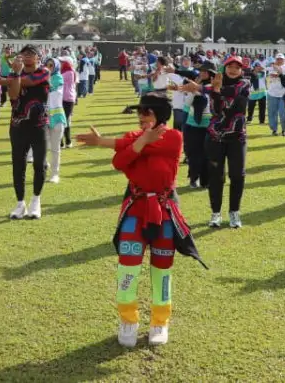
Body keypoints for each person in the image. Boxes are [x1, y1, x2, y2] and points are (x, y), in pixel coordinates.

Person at [75, 92, 206, 348]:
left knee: (162, 269)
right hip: (135, 211)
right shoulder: (137, 137)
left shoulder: (174, 137)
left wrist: (112, 142)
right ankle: (128, 321)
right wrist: (132, 142)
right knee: (128, 267)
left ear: (160, 116)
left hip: (163, 211)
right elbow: (119, 161)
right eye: (140, 113)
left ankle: (160, 321)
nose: (141, 117)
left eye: (147, 112)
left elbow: (127, 148)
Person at [1, 46, 50, 219]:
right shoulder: (14, 74)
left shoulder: (44, 72)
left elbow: (28, 82)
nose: (27, 57)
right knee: (18, 164)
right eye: (24, 54)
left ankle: (36, 201)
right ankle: (20, 203)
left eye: (31, 54)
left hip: (39, 125)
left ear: (38, 57)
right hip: (18, 125)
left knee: (39, 163)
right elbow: (13, 95)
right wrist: (13, 75)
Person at [204, 55, 250, 228]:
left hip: (237, 137)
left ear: (241, 70)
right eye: (229, 66)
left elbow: (239, 105)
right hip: (215, 137)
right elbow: (215, 110)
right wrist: (214, 93)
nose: (233, 70)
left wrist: (215, 91)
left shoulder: (245, 84)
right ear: (224, 68)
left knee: (237, 175)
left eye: (237, 67)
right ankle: (215, 213)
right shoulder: (214, 86)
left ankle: (234, 212)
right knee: (216, 176)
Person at [45, 56, 68, 183]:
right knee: (42, 146)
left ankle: (55, 174)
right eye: (47, 65)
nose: (48, 68)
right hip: (44, 117)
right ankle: (45, 165)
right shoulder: (42, 78)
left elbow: (53, 93)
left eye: (51, 65)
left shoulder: (58, 78)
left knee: (55, 149)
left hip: (57, 118)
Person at [265, 54, 285, 137]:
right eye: (278, 59)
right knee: (272, 113)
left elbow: (281, 73)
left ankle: (284, 130)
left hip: (283, 94)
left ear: (284, 60)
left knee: (283, 113)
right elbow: (272, 74)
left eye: (281, 59)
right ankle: (274, 130)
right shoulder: (271, 67)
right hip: (272, 93)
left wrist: (277, 70)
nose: (279, 60)